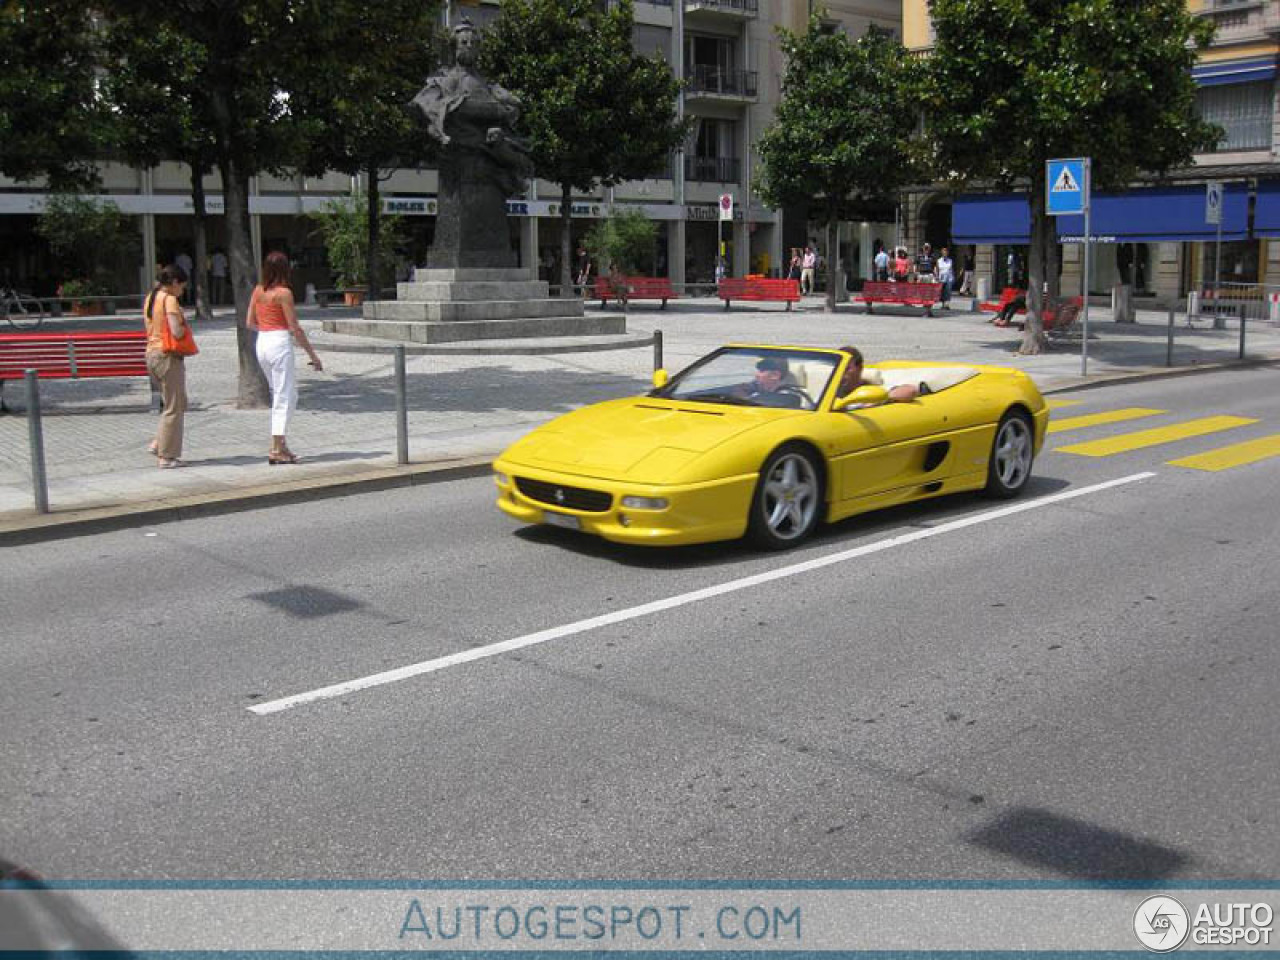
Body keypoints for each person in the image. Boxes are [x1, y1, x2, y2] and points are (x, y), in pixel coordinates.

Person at [246, 251, 323, 464]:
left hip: (262, 341)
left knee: (280, 393)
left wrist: (267, 328)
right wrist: (313, 355)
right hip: (279, 341)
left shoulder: (258, 290)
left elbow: (249, 322)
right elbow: (295, 328)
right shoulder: (283, 293)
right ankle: (276, 448)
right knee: (285, 396)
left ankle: (281, 445)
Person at [144, 264, 193, 468]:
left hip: (152, 354)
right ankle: (167, 456)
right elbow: (176, 331)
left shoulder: (152, 296)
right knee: (173, 407)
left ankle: (159, 443)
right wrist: (183, 322)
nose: (182, 291)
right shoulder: (170, 299)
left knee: (178, 401)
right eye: (182, 286)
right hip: (168, 355)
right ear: (174, 283)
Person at [836, 345, 919, 403]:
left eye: (846, 369)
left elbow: (911, 391)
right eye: (838, 368)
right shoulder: (831, 389)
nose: (841, 372)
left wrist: (879, 399)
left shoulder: (872, 387)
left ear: (859, 368)